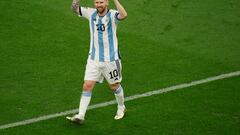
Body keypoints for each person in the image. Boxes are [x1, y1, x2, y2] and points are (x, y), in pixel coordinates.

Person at [66, 0, 127, 124]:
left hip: (111, 60)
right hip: (93, 59)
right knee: (87, 85)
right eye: (97, 2)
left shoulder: (112, 15)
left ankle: (121, 107)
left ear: (107, 3)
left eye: (101, 2)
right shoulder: (91, 13)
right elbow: (74, 9)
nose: (99, 5)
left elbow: (124, 15)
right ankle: (81, 115)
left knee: (114, 86)